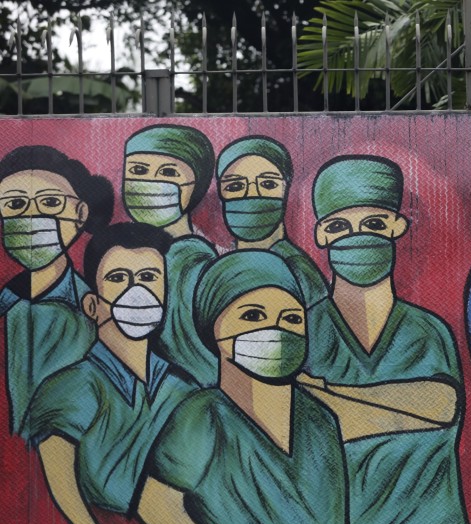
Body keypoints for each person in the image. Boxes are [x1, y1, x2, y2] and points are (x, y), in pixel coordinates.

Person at [136, 250, 348, 524]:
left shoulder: (319, 420)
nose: (275, 330)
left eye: (291, 319)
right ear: (215, 330)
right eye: (253, 315)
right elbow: (158, 508)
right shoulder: (203, 415)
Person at [302, 154, 471, 524]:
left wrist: (327, 393)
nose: (357, 237)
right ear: (322, 234)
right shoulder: (304, 329)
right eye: (339, 226)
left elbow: (444, 405)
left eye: (374, 224)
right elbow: (306, 427)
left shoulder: (426, 331)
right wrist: (407, 404)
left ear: (397, 226)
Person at [25, 223, 197, 524]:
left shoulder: (183, 390)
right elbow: (59, 481)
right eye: (118, 278)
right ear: (91, 305)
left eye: (149, 278)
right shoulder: (71, 387)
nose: (137, 291)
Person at [0, 145, 111, 437]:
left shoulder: (93, 309)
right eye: (14, 205)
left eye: (50, 202)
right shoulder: (7, 303)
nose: (32, 216)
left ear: (81, 213)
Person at [122, 124, 219, 386]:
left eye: (168, 172)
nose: (150, 182)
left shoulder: (193, 262)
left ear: (196, 184)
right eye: (138, 171)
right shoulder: (126, 255)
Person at [215, 135, 329, 309]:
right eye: (235, 186)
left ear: (286, 189)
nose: (252, 194)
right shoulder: (221, 264)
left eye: (268, 184)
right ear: (221, 195)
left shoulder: (298, 271)